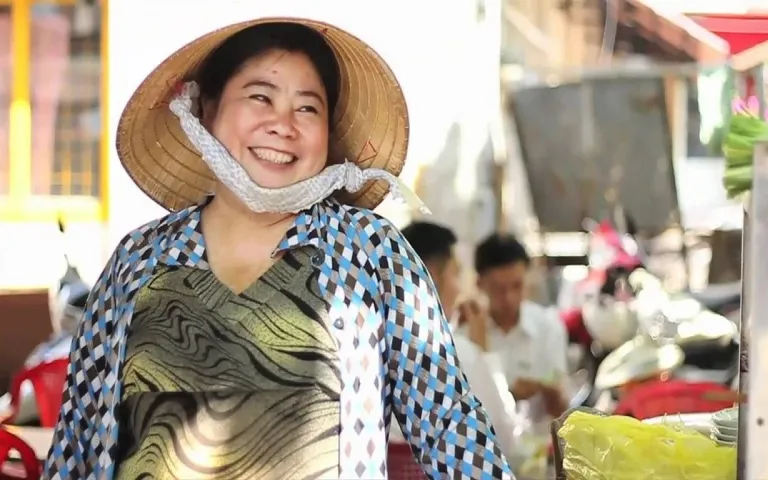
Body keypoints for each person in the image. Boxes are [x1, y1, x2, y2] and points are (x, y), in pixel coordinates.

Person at [43, 19, 514, 480]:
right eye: (260, 97)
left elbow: (450, 428)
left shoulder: (373, 253)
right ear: (205, 109)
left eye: (307, 109)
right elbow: (76, 442)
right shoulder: (139, 259)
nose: (283, 125)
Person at [397, 221, 517, 451]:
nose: (460, 288)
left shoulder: (371, 345)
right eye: (456, 272)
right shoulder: (458, 355)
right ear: (429, 276)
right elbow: (504, 440)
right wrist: (482, 352)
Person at [474, 233, 569, 432]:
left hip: (541, 450)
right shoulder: (469, 334)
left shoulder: (549, 328)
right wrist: (510, 394)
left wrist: (553, 394)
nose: (509, 298)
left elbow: (562, 412)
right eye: (498, 289)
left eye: (517, 286)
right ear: (480, 284)